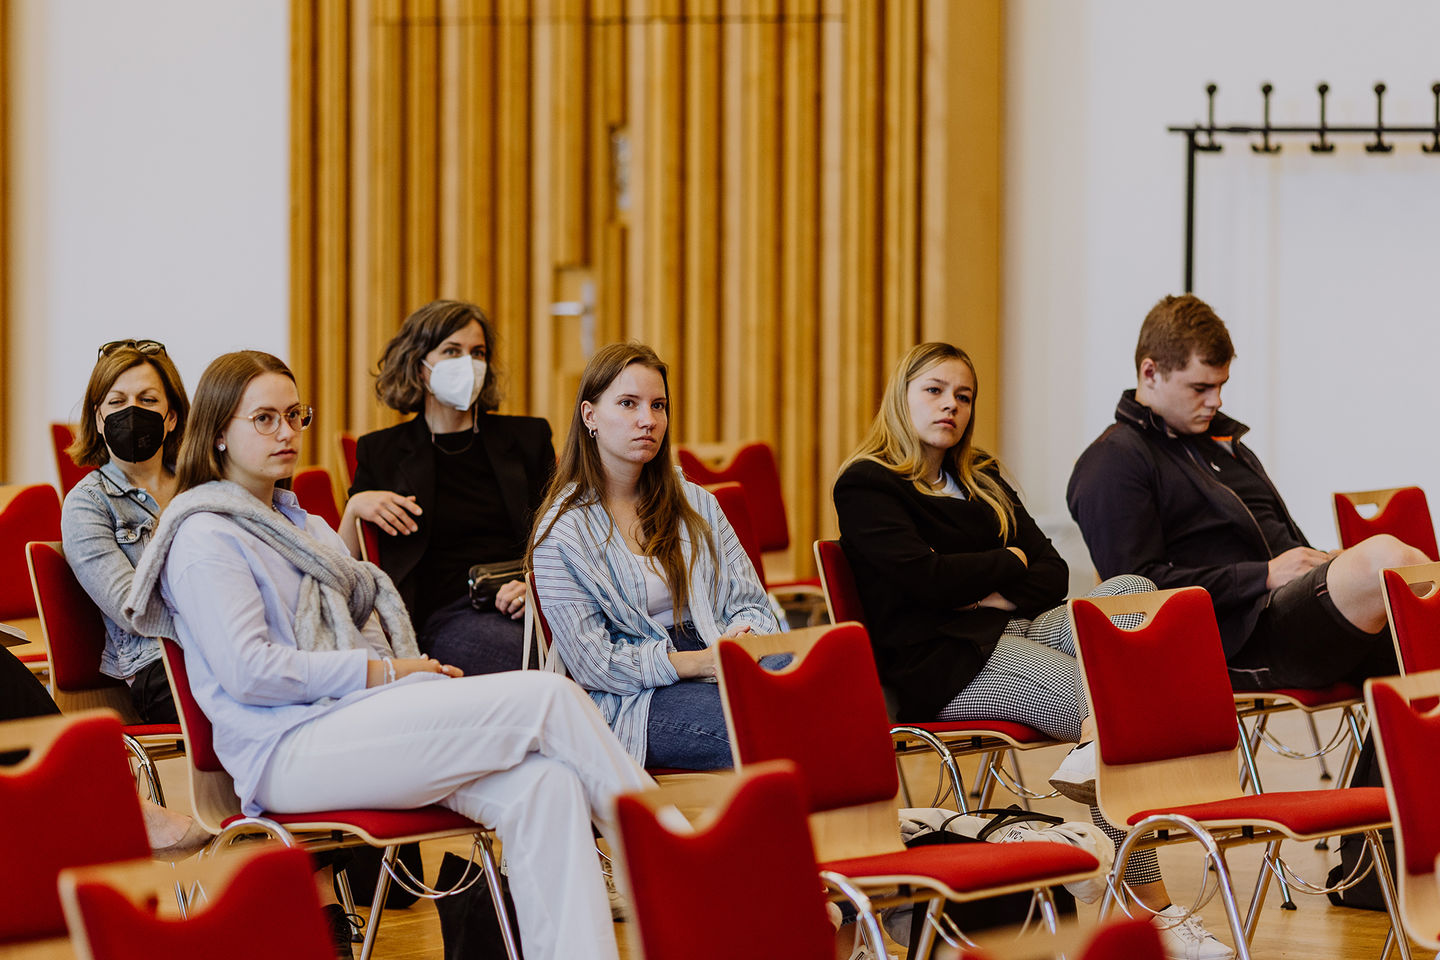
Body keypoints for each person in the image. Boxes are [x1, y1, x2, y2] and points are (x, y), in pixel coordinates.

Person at [123, 350, 653, 960]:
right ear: (218, 433)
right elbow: (251, 672)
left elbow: (368, 635)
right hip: (285, 750)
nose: (288, 432)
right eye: (264, 419)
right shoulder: (204, 534)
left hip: (353, 724)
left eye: (295, 415)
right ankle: (676, 864)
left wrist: (414, 681)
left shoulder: (308, 527)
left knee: (548, 786)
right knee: (551, 697)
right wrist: (391, 672)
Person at [833, 342, 1232, 960]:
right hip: (941, 662)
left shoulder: (980, 476)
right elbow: (924, 580)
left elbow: (1051, 573)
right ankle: (1151, 905)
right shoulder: (867, 483)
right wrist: (1004, 566)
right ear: (902, 395)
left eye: (963, 396)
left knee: (1136, 592)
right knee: (1108, 704)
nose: (950, 406)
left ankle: (1091, 755)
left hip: (1011, 631)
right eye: (935, 391)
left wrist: (981, 585)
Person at [1066, 294, 1423, 693]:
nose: (1215, 401)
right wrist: (1263, 575)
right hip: (1239, 636)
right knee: (1387, 560)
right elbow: (1132, 596)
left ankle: (1396, 753)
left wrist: (1321, 561)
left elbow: (1275, 540)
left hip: (1285, 612)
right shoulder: (1114, 461)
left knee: (1420, 587)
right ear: (1150, 373)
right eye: (1200, 387)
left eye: (1221, 386)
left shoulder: (1220, 444)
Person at [529, 342, 780, 771]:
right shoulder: (561, 532)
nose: (648, 420)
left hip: (716, 650)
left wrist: (742, 639)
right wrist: (692, 664)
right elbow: (595, 665)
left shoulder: (696, 503)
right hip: (631, 698)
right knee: (762, 729)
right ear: (590, 416)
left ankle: (867, 831)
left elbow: (753, 603)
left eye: (658, 405)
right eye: (628, 404)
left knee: (825, 688)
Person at [342, 300, 554, 676]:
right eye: (452, 351)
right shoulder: (382, 451)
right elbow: (343, 568)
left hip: (528, 603)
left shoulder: (527, 438)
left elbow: (562, 535)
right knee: (540, 659)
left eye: (478, 353)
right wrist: (355, 506)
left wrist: (533, 586)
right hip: (444, 616)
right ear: (420, 366)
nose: (468, 364)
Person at [61, 339, 189, 724]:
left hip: (233, 647)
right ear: (99, 419)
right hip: (160, 664)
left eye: (148, 400)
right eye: (117, 402)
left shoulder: (201, 486)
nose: (132, 412)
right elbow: (133, 609)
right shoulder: (88, 503)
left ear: (171, 417)